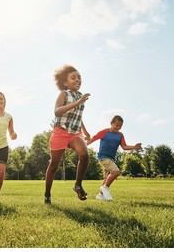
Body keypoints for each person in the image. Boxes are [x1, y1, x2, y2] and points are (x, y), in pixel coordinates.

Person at [44, 65, 91, 204]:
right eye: (73, 77)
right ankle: (47, 194)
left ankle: (78, 184)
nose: (77, 79)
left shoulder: (80, 96)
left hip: (75, 133)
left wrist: (86, 131)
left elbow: (77, 116)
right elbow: (57, 111)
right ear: (66, 83)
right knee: (53, 165)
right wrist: (77, 102)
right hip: (60, 132)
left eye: (79, 77)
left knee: (84, 154)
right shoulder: (64, 94)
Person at [87, 115, 142, 201]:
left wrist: (134, 147)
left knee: (106, 177)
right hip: (103, 157)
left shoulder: (120, 135)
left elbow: (124, 146)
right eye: (117, 125)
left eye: (120, 126)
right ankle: (105, 188)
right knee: (116, 172)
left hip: (111, 158)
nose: (118, 127)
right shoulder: (104, 132)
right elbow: (92, 139)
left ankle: (100, 196)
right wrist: (82, 146)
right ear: (111, 123)